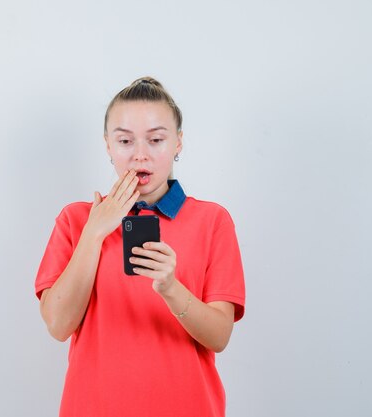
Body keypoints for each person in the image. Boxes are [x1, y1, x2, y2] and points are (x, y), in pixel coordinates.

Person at [35, 77, 245, 417]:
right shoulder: (75, 220)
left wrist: (171, 288)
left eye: (157, 139)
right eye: (124, 140)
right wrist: (95, 232)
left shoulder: (213, 221)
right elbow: (58, 325)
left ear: (178, 142)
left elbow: (219, 336)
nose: (140, 154)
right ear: (107, 145)